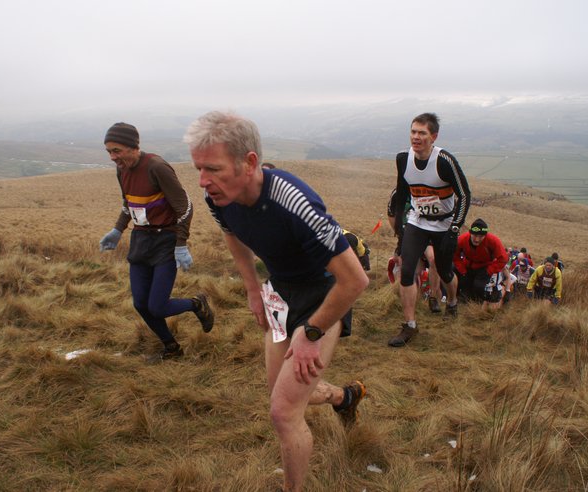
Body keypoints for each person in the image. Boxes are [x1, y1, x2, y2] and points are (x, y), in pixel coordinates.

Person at [184, 111, 369, 492]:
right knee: (281, 393)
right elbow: (232, 234)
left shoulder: (294, 203)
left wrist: (312, 333)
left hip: (323, 295)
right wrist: (253, 288)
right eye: (198, 169)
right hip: (280, 293)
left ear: (249, 162)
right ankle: (344, 397)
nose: (203, 181)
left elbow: (354, 280)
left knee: (283, 413)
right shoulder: (217, 197)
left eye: (213, 169)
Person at [99, 122, 214, 360]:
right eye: (109, 151)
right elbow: (128, 204)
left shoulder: (157, 167)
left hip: (165, 241)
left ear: (133, 146)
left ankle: (196, 304)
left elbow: (185, 207)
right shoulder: (122, 170)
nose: (112, 157)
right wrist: (117, 229)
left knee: (157, 307)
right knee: (141, 304)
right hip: (141, 240)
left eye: (116, 151)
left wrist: (180, 244)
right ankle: (171, 348)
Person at [388, 113, 471, 347]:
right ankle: (410, 325)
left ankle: (452, 302)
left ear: (433, 137)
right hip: (418, 221)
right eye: (413, 131)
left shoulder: (444, 161)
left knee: (444, 271)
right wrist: (400, 229)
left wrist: (454, 229)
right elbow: (402, 192)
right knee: (407, 271)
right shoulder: (403, 159)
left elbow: (465, 195)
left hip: (444, 224)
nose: (416, 137)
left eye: (422, 133)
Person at [386, 188, 442, 313]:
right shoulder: (398, 192)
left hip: (428, 232)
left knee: (433, 259)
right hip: (409, 234)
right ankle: (412, 300)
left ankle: (433, 297)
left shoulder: (428, 188)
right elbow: (391, 214)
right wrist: (400, 234)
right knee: (408, 267)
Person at [453, 218, 509, 303]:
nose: (477, 240)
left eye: (481, 236)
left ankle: (478, 305)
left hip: (485, 267)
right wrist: (462, 269)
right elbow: (454, 255)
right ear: (470, 233)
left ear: (485, 235)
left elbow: (503, 258)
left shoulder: (493, 241)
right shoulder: (462, 239)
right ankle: (461, 302)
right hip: (467, 265)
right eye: (475, 235)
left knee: (478, 286)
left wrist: (489, 270)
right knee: (463, 285)